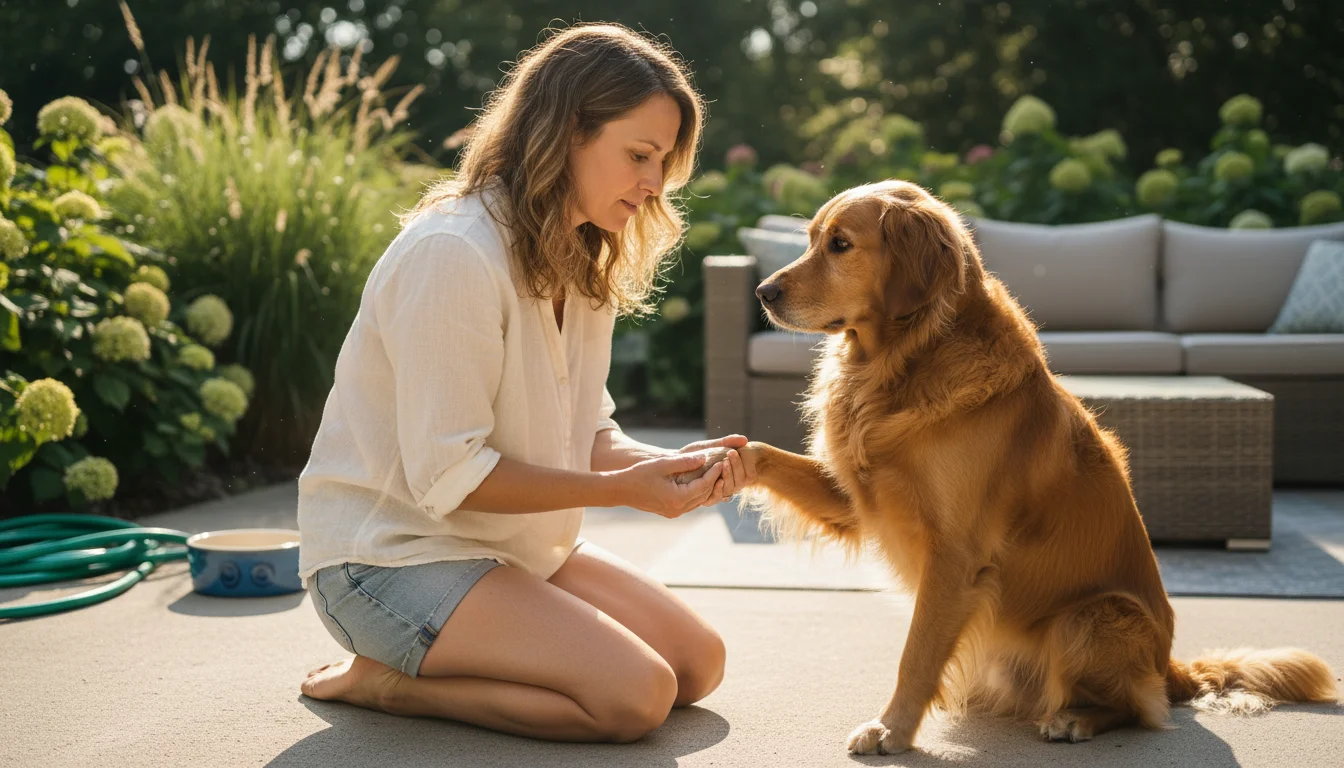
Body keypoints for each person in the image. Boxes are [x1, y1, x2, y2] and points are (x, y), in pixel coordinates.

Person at [295, 23, 752, 743]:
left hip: (507, 546)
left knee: (697, 665)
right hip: (388, 560)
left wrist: (661, 467)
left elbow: (588, 434)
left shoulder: (583, 258)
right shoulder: (454, 254)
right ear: (568, 130)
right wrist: (618, 493)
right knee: (633, 697)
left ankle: (465, 651)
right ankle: (391, 685)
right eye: (638, 155)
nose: (653, 184)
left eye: (662, 162)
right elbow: (452, 476)